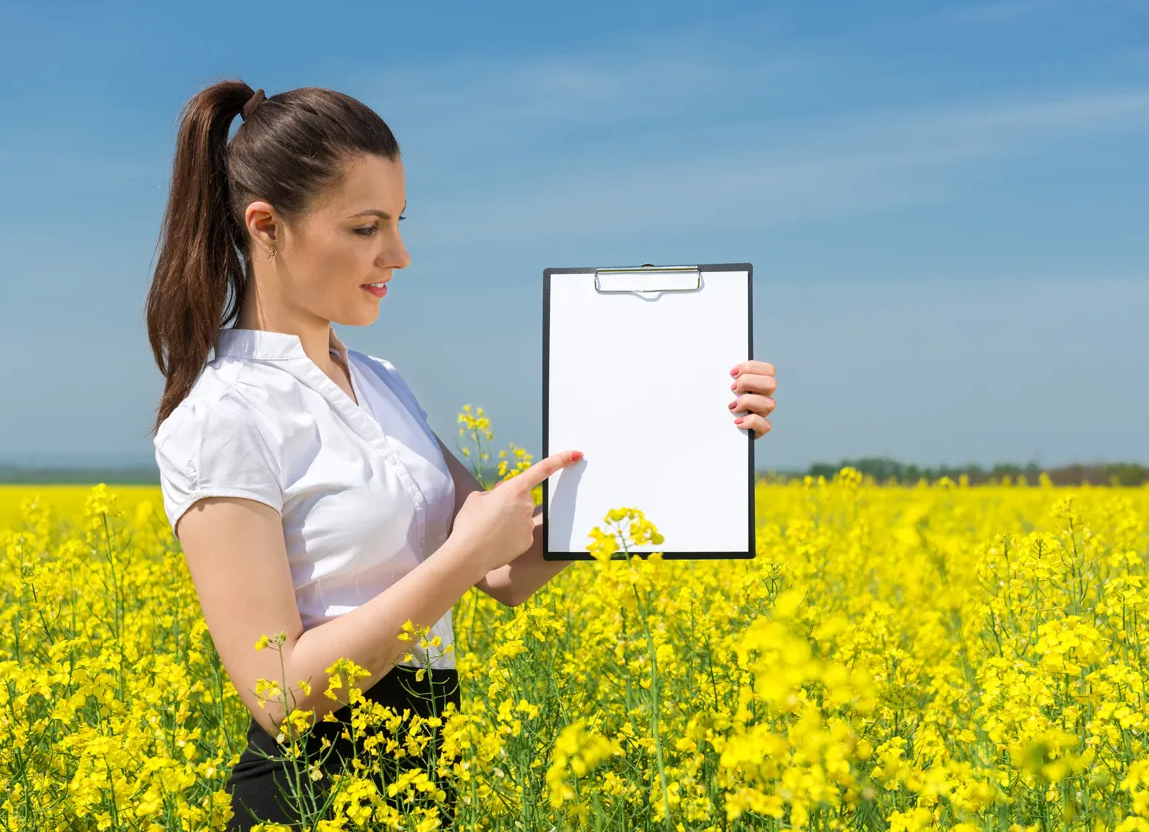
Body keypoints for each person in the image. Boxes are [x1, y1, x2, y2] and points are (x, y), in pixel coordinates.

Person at [144, 79, 779, 830]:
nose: (399, 255)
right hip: (311, 797)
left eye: (398, 224)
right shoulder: (223, 415)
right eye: (366, 228)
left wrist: (683, 433)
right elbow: (278, 693)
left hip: (422, 782)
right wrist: (461, 557)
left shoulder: (379, 382)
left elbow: (505, 572)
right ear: (267, 226)